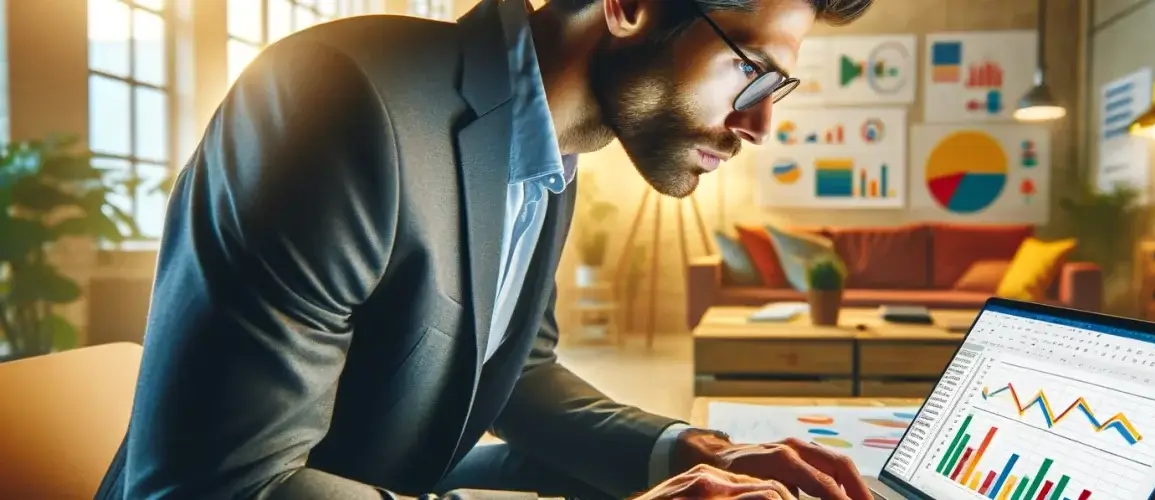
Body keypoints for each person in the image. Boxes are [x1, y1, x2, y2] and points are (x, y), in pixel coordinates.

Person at [94, 0, 876, 499]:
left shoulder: (552, 158)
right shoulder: (340, 99)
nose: (759, 125)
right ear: (630, 6)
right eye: (749, 69)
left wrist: (690, 452)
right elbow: (218, 489)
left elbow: (515, 373)